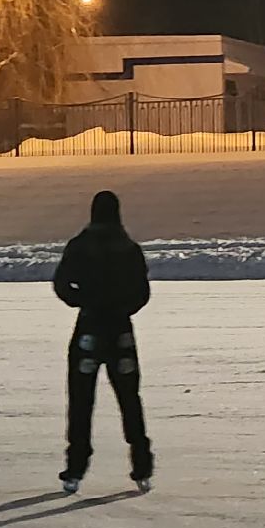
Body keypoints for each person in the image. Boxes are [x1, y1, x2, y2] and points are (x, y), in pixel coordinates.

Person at [54, 190, 154, 494]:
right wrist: (122, 307)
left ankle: (75, 468)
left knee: (81, 398)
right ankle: (142, 465)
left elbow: (62, 284)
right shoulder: (129, 248)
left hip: (89, 327)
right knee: (129, 397)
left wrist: (84, 300)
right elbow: (142, 292)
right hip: (120, 329)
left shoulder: (80, 245)